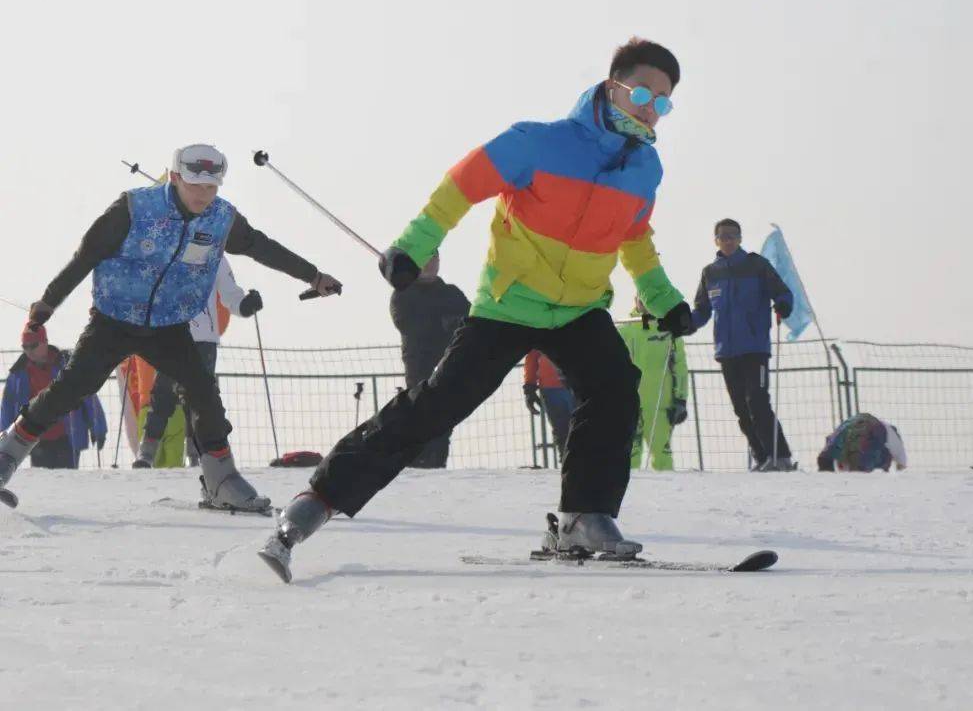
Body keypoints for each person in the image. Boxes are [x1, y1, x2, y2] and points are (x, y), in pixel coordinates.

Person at [259, 38, 694, 582]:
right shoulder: (537, 142)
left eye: (664, 102)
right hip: (508, 303)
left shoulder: (645, 168)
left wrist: (663, 299)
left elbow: (634, 238)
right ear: (613, 87)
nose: (651, 108)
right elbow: (460, 186)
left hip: (579, 308)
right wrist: (412, 248)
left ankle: (584, 515)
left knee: (614, 388)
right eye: (642, 93)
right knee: (436, 406)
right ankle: (316, 501)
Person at [0, 143, 341, 512]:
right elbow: (87, 255)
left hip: (169, 325)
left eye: (211, 188)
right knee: (71, 388)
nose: (203, 196)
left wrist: (314, 275)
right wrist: (48, 304)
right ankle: (8, 453)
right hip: (114, 318)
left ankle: (221, 479)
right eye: (195, 186)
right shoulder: (134, 208)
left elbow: (261, 246)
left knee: (203, 392)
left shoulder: (221, 219)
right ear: (175, 177)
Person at [133, 257, 262, 468]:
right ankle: (147, 453)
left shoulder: (216, 254)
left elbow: (230, 294)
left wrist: (245, 306)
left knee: (200, 399)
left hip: (204, 338)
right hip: (170, 333)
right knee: (163, 393)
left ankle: (199, 455)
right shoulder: (168, 247)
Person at [691, 218, 796, 471]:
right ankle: (762, 457)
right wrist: (685, 323)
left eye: (732, 236)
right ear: (715, 240)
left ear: (739, 239)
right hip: (727, 351)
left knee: (757, 401)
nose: (727, 240)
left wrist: (783, 304)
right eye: (723, 236)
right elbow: (702, 310)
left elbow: (783, 292)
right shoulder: (710, 273)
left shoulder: (756, 265)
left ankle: (780, 456)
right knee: (741, 407)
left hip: (754, 347)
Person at [389, 251, 470, 468]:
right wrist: (442, 323)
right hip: (419, 365)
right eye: (424, 258)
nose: (429, 264)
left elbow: (471, 321)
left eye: (434, 259)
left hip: (450, 363)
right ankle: (418, 460)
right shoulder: (403, 294)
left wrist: (455, 324)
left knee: (445, 415)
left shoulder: (452, 293)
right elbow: (408, 325)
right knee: (421, 412)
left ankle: (437, 461)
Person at [1, 323, 107, 469]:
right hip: (35, 439)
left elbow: (88, 398)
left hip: (67, 437)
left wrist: (98, 428)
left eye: (34, 345)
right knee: (43, 483)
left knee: (67, 480)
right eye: (25, 347)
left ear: (45, 342)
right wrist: (4, 439)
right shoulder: (18, 374)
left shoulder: (67, 365)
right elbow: (7, 407)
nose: (29, 351)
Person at [618, 298, 688, 471]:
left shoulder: (669, 331)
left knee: (661, 452)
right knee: (629, 452)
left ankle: (666, 491)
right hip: (628, 401)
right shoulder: (625, 330)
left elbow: (680, 366)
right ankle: (629, 492)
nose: (644, 303)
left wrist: (681, 399)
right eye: (640, 299)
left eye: (648, 299)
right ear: (635, 301)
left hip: (659, 403)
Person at [523, 350, 575, 462]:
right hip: (551, 387)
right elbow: (533, 353)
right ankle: (568, 467)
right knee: (562, 432)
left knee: (581, 428)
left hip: (575, 383)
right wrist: (529, 386)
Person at [816, 413, 907, 472]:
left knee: (828, 457)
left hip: (845, 432)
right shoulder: (891, 433)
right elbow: (901, 464)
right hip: (868, 441)